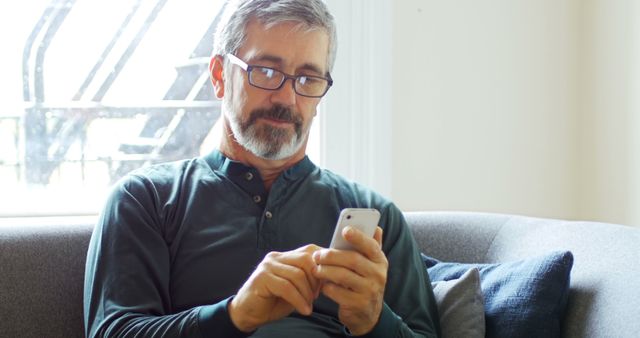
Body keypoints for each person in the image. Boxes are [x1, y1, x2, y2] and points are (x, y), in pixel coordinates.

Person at [84, 0, 441, 337]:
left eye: (307, 79)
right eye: (266, 71)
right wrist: (235, 315)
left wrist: (375, 322)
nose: (287, 98)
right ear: (220, 75)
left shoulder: (376, 218)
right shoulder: (145, 200)